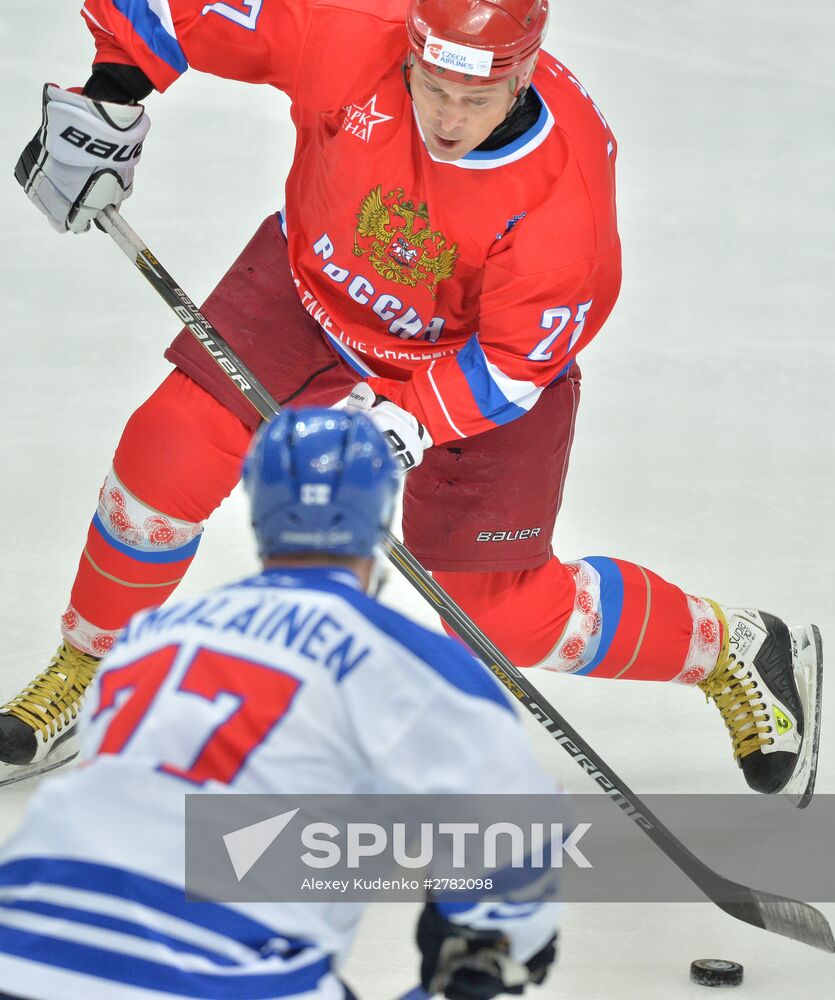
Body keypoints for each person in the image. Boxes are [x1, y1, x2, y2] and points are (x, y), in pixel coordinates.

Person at [0, 0, 822, 804]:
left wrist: (410, 419)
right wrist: (109, 97)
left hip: (465, 370)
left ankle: (731, 647)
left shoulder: (562, 200)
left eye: (475, 99)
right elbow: (170, 10)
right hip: (309, 292)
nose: (448, 118)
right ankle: (85, 667)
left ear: (524, 75)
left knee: (496, 619)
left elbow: (513, 362)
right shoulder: (351, 27)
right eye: (432, 88)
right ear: (409, 53)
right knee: (168, 448)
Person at [0, 407, 559, 1000]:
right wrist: (490, 950)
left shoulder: (150, 639)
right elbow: (513, 855)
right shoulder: (417, 663)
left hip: (19, 940)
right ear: (381, 512)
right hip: (220, 974)